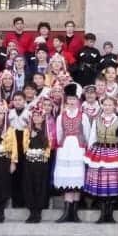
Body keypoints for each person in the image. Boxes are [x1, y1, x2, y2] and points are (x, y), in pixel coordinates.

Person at [84, 94, 118, 224]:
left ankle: (110, 214)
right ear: (102, 106)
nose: (107, 107)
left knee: (112, 184)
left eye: (110, 105)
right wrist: (90, 154)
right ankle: (103, 214)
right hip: (99, 153)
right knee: (101, 184)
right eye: (105, 105)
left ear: (114, 106)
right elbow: (92, 137)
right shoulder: (97, 120)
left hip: (114, 153)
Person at [52, 85, 87, 222]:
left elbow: (87, 134)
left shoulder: (83, 116)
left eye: (74, 99)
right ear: (66, 101)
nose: (72, 102)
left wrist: (85, 148)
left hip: (78, 149)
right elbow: (59, 133)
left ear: (78, 101)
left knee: (76, 179)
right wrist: (61, 147)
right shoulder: (61, 117)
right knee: (67, 179)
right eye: (70, 99)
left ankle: (74, 213)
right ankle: (67, 212)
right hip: (65, 149)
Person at [18, 105, 52, 223]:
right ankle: (32, 212)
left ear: (43, 118)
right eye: (34, 116)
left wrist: (43, 155)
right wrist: (29, 138)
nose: (36, 118)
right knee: (29, 186)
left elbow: (49, 147)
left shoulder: (46, 131)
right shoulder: (27, 131)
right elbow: (24, 148)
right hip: (30, 163)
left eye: (39, 116)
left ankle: (38, 212)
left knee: (40, 186)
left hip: (42, 163)